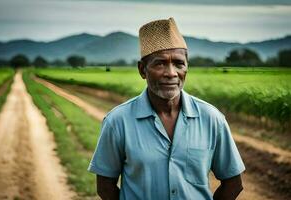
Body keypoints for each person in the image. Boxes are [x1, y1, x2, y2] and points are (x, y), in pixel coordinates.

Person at [88, 17, 245, 200]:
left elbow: (234, 183)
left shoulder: (211, 118)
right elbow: (105, 186)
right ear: (142, 70)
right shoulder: (117, 121)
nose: (171, 73)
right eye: (160, 63)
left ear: (186, 68)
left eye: (179, 63)